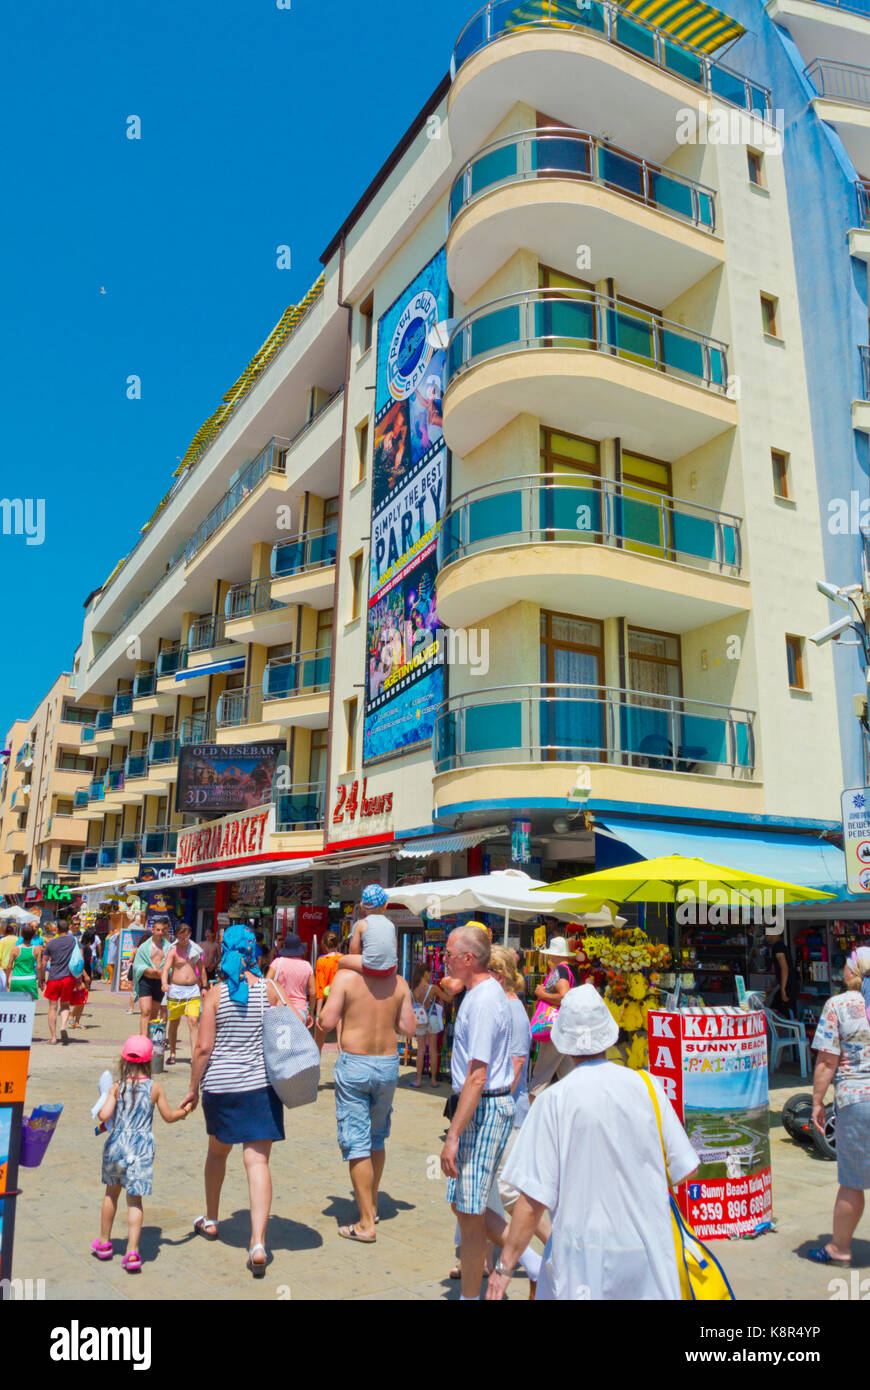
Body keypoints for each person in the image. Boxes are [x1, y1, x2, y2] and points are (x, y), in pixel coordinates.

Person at [486, 985, 699, 1301]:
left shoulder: (553, 1101)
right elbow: (687, 1170)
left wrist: (505, 1267)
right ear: (608, 1036)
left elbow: (531, 1201)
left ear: (564, 1043)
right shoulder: (649, 1087)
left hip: (582, 1262)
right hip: (648, 1257)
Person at [181, 925, 285, 1277]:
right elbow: (292, 1026)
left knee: (216, 1154)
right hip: (260, 1087)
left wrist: (193, 1087)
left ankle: (211, 1219)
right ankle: (258, 1243)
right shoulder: (270, 990)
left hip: (221, 1088)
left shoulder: (215, 995)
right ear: (253, 951)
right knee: (257, 1162)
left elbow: (203, 1048)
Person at [316, 916, 416, 1243]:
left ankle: (365, 1224)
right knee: (377, 1137)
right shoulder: (400, 983)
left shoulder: (346, 978)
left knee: (357, 1142)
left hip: (355, 1064)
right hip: (387, 1065)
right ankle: (371, 1205)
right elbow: (408, 1028)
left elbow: (326, 1021)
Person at [440, 923, 516, 1300]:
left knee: (470, 1217)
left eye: (449, 954)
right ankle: (539, 1261)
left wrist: (453, 1135)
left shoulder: (484, 1000)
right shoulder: (477, 994)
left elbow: (478, 1075)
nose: (444, 960)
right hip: (480, 1106)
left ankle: (472, 1295)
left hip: (484, 1108)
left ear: (468, 959)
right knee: (465, 1207)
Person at [92, 1035, 191, 1272]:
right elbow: (168, 1116)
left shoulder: (117, 1086)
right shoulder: (155, 1088)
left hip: (117, 1144)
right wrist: (185, 1111)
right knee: (135, 1200)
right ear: (149, 1061)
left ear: (124, 1060)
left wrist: (106, 1097)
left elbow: (104, 1116)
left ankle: (104, 1243)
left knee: (111, 1194)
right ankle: (133, 1252)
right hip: (141, 1148)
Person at [484, 945, 549, 1295]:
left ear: (497, 974)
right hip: (505, 1108)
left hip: (508, 1111)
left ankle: (544, 1255)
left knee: (505, 1192)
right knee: (490, 1193)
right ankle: (481, 1259)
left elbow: (517, 1062)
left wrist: (490, 1100)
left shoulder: (511, 1009)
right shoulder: (503, 1005)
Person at [805, 947, 870, 1266]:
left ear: (851, 971)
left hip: (857, 1101)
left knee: (853, 1183)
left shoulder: (838, 1005)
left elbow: (827, 1061)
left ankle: (839, 1249)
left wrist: (817, 1102)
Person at [529, 936, 580, 1097]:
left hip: (555, 1028)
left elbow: (564, 996)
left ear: (554, 954)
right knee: (568, 1075)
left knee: (540, 1076)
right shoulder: (571, 971)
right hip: (567, 1028)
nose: (549, 956)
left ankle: (533, 1108)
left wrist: (542, 994)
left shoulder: (560, 970)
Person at [161, 923, 204, 1064]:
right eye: (181, 935)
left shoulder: (194, 950)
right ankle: (172, 1053)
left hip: (193, 989)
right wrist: (164, 983)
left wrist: (204, 987)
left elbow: (201, 968)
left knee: (193, 1021)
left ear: (189, 934)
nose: (184, 937)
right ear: (177, 935)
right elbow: (165, 969)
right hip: (176, 990)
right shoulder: (173, 951)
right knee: (174, 1022)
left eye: (186, 935)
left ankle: (194, 1056)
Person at [410, 960, 449, 1088]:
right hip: (432, 1017)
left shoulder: (412, 990)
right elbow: (448, 999)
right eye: (430, 973)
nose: (430, 976)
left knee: (420, 1049)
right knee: (432, 1049)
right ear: (426, 973)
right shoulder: (433, 988)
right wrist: (450, 988)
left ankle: (418, 1080)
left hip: (419, 1018)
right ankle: (433, 1081)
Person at [39, 917, 78, 1045]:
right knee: (65, 1005)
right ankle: (63, 1027)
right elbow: (79, 958)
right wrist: (79, 979)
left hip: (54, 978)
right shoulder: (73, 941)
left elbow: (43, 963)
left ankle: (53, 1037)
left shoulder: (51, 943)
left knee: (52, 1008)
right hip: (68, 978)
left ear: (57, 929)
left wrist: (42, 978)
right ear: (68, 928)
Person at [268, 933, 315, 1027]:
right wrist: (310, 1012)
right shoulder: (307, 966)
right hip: (300, 1011)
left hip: (279, 1009)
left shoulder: (277, 963)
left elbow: (267, 983)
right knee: (298, 1036)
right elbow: (313, 992)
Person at [132, 919, 170, 1037]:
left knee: (154, 1012)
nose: (160, 932)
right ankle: (143, 1037)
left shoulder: (168, 948)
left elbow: (171, 966)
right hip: (146, 980)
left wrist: (164, 973)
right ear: (153, 930)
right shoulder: (144, 947)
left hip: (159, 982)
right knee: (146, 1011)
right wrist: (149, 970)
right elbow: (137, 965)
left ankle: (149, 1036)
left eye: (162, 930)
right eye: (157, 930)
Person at [348, 884, 395, 956]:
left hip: (368, 962)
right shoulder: (390, 924)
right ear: (385, 905)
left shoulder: (360, 924)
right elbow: (394, 949)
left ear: (362, 906)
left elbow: (353, 951)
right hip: (390, 963)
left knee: (344, 960)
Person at [766, 923, 800, 1019]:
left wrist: (783, 989)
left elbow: (784, 968)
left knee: (788, 1013)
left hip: (789, 986)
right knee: (775, 1011)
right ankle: (780, 1029)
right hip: (789, 985)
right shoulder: (779, 946)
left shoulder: (778, 947)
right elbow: (780, 972)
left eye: (767, 934)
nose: (766, 937)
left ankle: (795, 1027)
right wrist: (772, 986)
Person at [7, 922, 42, 1000]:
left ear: (22, 935)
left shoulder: (15, 949)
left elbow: (9, 966)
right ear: (33, 936)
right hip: (30, 980)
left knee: (16, 1004)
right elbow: (39, 967)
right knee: (29, 1005)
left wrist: (7, 979)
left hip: (16, 980)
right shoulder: (36, 950)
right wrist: (40, 980)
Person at [70, 930, 94, 1030]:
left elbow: (88, 963)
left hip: (86, 974)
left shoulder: (87, 948)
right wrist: (86, 975)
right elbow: (81, 963)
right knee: (81, 998)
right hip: (82, 975)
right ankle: (72, 1016)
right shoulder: (83, 948)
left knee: (83, 1000)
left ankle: (77, 1021)